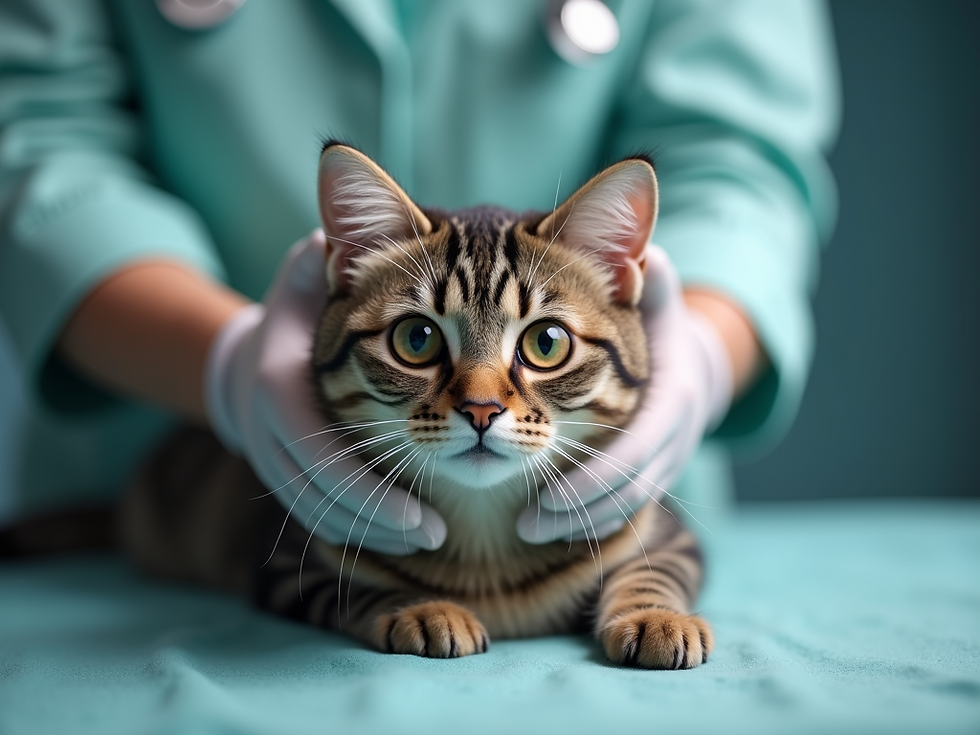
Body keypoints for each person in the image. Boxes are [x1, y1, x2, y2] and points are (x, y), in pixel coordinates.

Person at [0, 0, 838, 552]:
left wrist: (702, 351)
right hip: (175, 503)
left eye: (542, 342)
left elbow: (740, 162)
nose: (480, 398)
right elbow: (38, 135)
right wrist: (226, 366)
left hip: (592, 495)